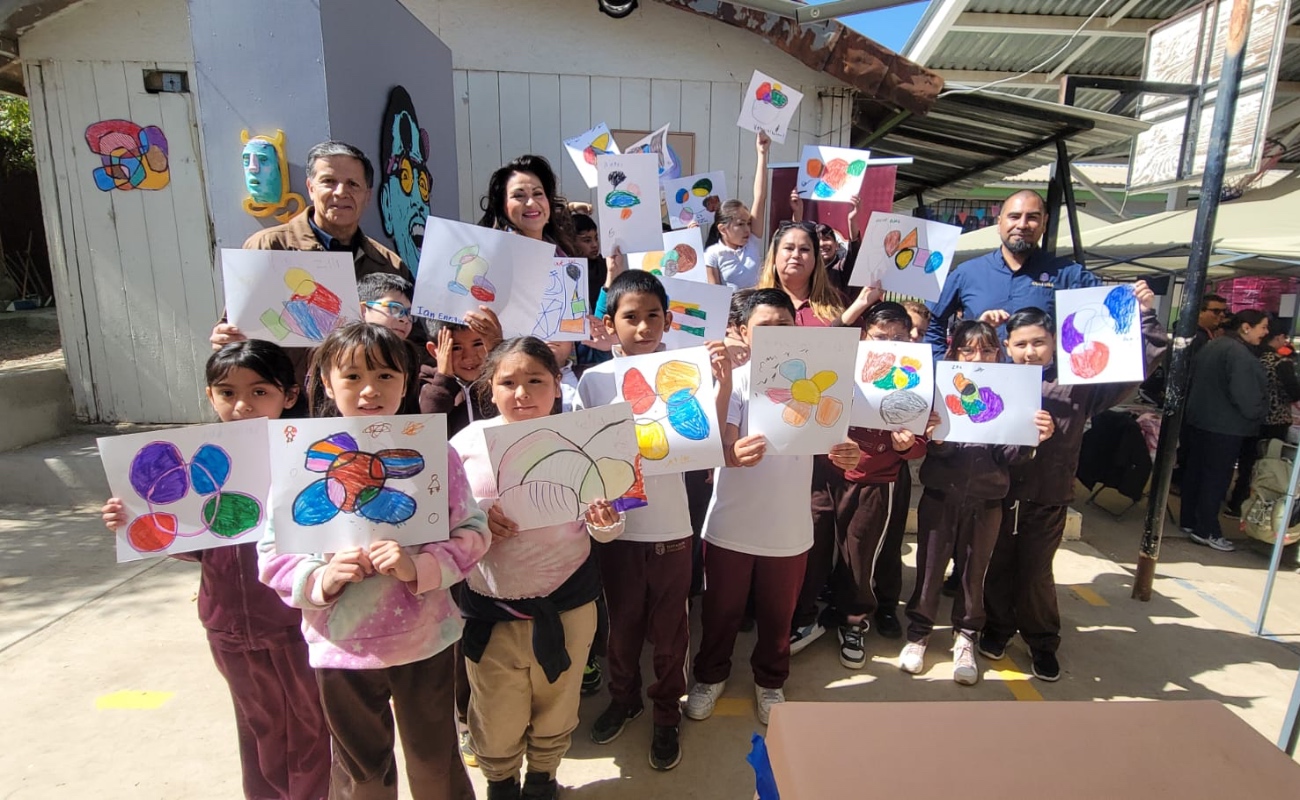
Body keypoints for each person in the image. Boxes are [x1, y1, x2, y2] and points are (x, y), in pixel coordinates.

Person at [258, 322, 489, 799]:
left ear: (406, 381)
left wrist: (419, 567)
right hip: (340, 646)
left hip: (425, 640)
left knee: (433, 762)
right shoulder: (297, 458)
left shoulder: (435, 455)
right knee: (362, 772)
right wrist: (320, 578)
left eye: (385, 376)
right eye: (352, 377)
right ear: (325, 382)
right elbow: (271, 553)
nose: (369, 390)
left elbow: (472, 532)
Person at [101, 341, 329, 800]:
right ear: (210, 396)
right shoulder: (204, 459)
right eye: (227, 393)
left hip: (296, 622)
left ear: (288, 395)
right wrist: (136, 523)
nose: (242, 405)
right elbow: (195, 545)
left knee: (311, 726)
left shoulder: (309, 458)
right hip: (228, 623)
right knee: (258, 727)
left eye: (258, 391)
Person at [450, 337, 624, 800]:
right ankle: (501, 782)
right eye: (508, 382)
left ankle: (544, 777)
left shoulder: (583, 438)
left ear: (556, 387)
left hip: (567, 605)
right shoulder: (464, 443)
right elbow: (443, 515)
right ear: (489, 387)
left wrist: (606, 520)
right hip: (491, 607)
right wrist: (478, 515)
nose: (522, 393)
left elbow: (606, 528)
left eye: (535, 381)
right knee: (495, 707)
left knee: (558, 701)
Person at [575, 271, 731, 770]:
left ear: (667, 320)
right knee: (621, 628)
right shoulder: (594, 380)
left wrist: (721, 382)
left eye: (652, 316)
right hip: (618, 535)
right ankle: (624, 698)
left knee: (671, 633)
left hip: (672, 533)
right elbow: (582, 455)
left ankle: (667, 712)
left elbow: (709, 442)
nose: (642, 327)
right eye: (630, 317)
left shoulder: (687, 371)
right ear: (610, 323)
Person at [685, 289, 861, 726]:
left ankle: (771, 681)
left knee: (777, 617)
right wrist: (731, 450)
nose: (777, 334)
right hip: (730, 523)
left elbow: (838, 438)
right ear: (742, 332)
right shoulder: (738, 381)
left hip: (788, 528)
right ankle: (709, 676)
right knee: (720, 613)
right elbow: (718, 442)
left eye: (785, 325)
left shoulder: (820, 377)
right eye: (765, 328)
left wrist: (847, 453)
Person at [981, 287, 1166, 682]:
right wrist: (981, 328)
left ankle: (1042, 641)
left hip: (1048, 495)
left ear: (1054, 343)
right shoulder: (994, 376)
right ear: (1007, 346)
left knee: (1034, 574)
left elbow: (1134, 365)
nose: (1030, 352)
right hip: (998, 493)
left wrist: (1146, 316)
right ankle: (997, 629)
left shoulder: (1080, 380)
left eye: (1039, 343)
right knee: (996, 567)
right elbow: (958, 376)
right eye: (1021, 344)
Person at [899, 320, 1054, 684]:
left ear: (998, 354)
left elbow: (1011, 456)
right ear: (954, 353)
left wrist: (1034, 438)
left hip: (988, 499)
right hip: (940, 495)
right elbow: (932, 449)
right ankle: (919, 633)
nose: (977, 357)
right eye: (968, 350)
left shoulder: (1010, 392)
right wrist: (936, 437)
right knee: (930, 568)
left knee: (974, 573)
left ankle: (966, 635)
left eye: (986, 350)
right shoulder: (937, 387)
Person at [210, 141, 412, 351]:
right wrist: (224, 339)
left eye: (353, 184)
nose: (340, 192)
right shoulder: (267, 247)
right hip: (286, 383)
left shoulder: (388, 265)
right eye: (329, 181)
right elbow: (235, 329)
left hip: (358, 384)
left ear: (367, 196)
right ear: (311, 188)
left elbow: (413, 342)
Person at [822, 302, 934, 667]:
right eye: (880, 337)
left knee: (865, 550)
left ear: (911, 337)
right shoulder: (843, 367)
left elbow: (920, 441)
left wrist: (907, 445)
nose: (890, 344)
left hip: (879, 478)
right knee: (832, 546)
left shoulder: (916, 375)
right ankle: (832, 605)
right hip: (834, 474)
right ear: (864, 336)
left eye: (899, 337)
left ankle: (856, 619)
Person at [924, 190, 1101, 358]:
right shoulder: (967, 273)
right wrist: (941, 364)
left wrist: (1128, 296)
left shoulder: (1068, 274)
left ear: (1044, 223)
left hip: (1042, 386)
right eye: (1014, 217)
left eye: (1032, 217)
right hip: (979, 380)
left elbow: (1106, 311)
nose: (1022, 225)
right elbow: (932, 322)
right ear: (999, 222)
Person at [1180, 309, 1271, 551]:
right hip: (1225, 426)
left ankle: (1190, 521)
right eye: (1263, 327)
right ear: (1246, 327)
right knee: (1215, 479)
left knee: (1197, 474)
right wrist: (1259, 413)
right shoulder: (1238, 354)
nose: (1266, 332)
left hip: (1202, 421)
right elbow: (1246, 397)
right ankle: (1206, 529)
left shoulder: (1215, 345)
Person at [1226, 319, 1300, 517]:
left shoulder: (1252, 356)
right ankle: (1260, 508)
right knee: (1270, 467)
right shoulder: (1280, 362)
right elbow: (1294, 392)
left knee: (1248, 463)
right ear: (1279, 337)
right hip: (1275, 421)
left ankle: (1237, 503)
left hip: (1251, 418)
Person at [703, 132, 772, 289]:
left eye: (748, 223)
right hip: (731, 312)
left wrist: (762, 154)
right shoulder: (713, 254)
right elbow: (713, 293)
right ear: (722, 228)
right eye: (740, 224)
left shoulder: (752, 243)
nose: (747, 229)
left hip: (757, 310)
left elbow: (760, 198)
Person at [419, 318, 496, 436]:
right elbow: (429, 432)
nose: (468, 357)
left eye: (478, 344)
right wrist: (444, 381)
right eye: (456, 348)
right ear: (435, 351)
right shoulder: (423, 384)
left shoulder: (502, 381)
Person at [788, 191, 861, 297]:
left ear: (836, 245)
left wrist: (852, 220)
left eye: (826, 238)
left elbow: (854, 251)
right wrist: (797, 212)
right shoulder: (807, 268)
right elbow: (794, 242)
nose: (822, 244)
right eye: (817, 240)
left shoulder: (842, 268)